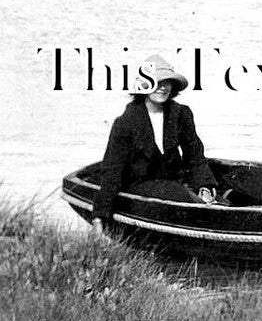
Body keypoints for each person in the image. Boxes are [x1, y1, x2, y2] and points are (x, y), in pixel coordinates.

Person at [92, 54, 217, 234]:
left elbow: (195, 155)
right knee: (181, 196)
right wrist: (99, 217)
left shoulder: (181, 114)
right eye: (156, 82)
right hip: (141, 185)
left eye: (167, 82)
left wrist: (204, 185)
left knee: (219, 195)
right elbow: (112, 171)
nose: (163, 87)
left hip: (175, 181)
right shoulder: (126, 122)